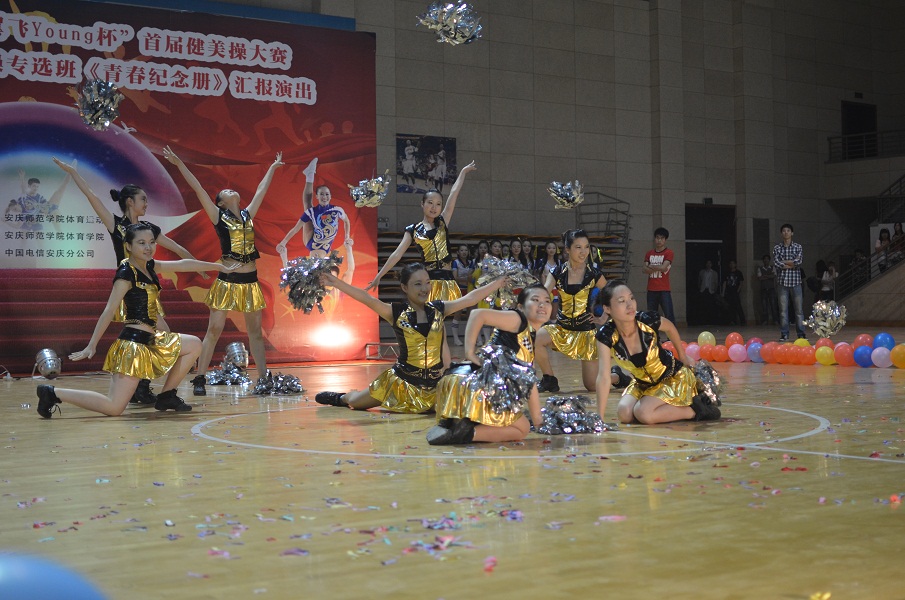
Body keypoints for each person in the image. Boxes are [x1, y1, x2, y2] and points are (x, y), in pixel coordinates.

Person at [35, 224, 239, 418]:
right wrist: (92, 345)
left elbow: (183, 264)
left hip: (152, 339)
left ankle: (166, 396)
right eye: (141, 243)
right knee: (114, 407)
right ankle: (52, 393)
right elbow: (109, 310)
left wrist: (218, 266)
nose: (148, 247)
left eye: (151, 242)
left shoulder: (149, 266)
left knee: (194, 344)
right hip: (133, 346)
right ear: (128, 246)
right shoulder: (126, 273)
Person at [52, 157, 204, 406]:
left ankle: (142, 387)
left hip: (147, 290)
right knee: (156, 337)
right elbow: (92, 197)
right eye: (143, 199)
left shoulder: (147, 228)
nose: (146, 203)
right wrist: (74, 173)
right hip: (129, 290)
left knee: (160, 338)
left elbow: (176, 247)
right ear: (130, 201)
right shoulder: (117, 225)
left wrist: (197, 264)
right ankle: (141, 388)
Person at [163, 146, 284, 396]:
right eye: (226, 192)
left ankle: (263, 378)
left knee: (255, 334)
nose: (231, 191)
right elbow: (198, 188)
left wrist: (272, 167)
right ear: (220, 202)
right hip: (227, 280)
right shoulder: (218, 216)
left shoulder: (248, 215)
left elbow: (261, 190)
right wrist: (179, 164)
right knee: (214, 330)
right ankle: (199, 378)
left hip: (250, 281)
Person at [313, 263, 508, 413]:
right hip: (400, 383)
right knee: (356, 403)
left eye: (427, 283)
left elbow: (470, 299)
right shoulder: (395, 312)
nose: (425, 288)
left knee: (460, 407)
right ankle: (342, 397)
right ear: (404, 287)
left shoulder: (439, 309)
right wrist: (336, 282)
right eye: (417, 284)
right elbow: (367, 298)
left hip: (435, 386)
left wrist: (498, 282)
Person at [427, 283, 551, 445]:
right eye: (535, 300)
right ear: (520, 306)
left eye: (547, 301)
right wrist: (469, 352)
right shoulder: (517, 319)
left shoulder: (529, 336)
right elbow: (478, 314)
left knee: (522, 423)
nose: (542, 305)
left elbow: (530, 383)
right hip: (476, 385)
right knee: (522, 429)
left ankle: (458, 423)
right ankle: (462, 433)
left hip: (459, 381)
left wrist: (539, 422)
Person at [595, 280, 721, 425]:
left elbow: (670, 327)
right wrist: (600, 418)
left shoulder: (647, 320)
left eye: (631, 298)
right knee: (624, 414)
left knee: (643, 413)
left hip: (670, 377)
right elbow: (603, 377)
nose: (630, 305)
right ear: (607, 308)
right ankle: (657, 407)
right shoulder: (606, 335)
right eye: (622, 301)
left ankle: (696, 410)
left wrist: (682, 355)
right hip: (642, 383)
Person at [367, 161, 477, 302]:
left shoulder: (443, 221)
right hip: (428, 283)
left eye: (438, 204)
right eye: (430, 203)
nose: (434, 207)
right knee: (429, 315)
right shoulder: (413, 230)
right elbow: (397, 254)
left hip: (448, 281)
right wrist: (379, 276)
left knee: (445, 315)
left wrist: (463, 172)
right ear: (422, 204)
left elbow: (454, 193)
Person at [535, 229, 627, 393]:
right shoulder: (557, 272)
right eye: (578, 247)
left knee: (591, 386)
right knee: (537, 337)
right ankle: (549, 379)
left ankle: (617, 377)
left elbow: (611, 295)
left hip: (586, 334)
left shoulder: (593, 273)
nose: (583, 252)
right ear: (567, 249)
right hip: (562, 330)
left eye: (586, 247)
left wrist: (604, 317)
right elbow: (543, 293)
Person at [276, 158, 352, 260]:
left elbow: (347, 221)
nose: (324, 197)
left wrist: (347, 237)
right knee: (308, 205)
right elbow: (295, 229)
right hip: (319, 243)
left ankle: (310, 174)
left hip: (312, 243)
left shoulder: (338, 210)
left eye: (327, 194)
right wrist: (283, 242)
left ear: (330, 196)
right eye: (321, 194)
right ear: (317, 196)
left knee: (308, 204)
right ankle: (310, 174)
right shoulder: (311, 212)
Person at [773, 223, 805, 341]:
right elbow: (776, 263)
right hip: (782, 283)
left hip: (796, 282)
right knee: (783, 311)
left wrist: (785, 263)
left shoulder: (798, 247)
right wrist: (791, 263)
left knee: (799, 310)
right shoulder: (777, 248)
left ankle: (801, 334)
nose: (786, 232)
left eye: (788, 230)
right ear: (781, 233)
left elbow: (799, 262)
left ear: (792, 233)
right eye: (784, 231)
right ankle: (784, 334)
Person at [642, 227, 675, 323]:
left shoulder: (669, 253)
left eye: (662, 238)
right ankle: (653, 333)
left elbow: (664, 268)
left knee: (669, 314)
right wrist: (658, 267)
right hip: (651, 289)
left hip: (664, 289)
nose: (659, 240)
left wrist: (651, 266)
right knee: (651, 316)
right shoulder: (649, 253)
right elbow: (644, 269)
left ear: (665, 240)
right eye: (657, 238)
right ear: (654, 238)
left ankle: (672, 333)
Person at [450, 244, 474, 346]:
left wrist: (468, 279)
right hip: (459, 290)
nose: (464, 252)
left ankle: (470, 337)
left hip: (469, 290)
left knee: (470, 314)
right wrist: (466, 279)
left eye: (466, 250)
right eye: (462, 250)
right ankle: (455, 338)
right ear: (458, 252)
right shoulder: (455, 262)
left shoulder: (471, 262)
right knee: (458, 313)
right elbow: (455, 278)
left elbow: (472, 277)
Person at [722, 260, 746, 326]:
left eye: (733, 263)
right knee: (730, 307)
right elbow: (724, 283)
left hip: (735, 292)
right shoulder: (727, 273)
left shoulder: (738, 273)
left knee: (738, 306)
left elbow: (741, 282)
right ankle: (732, 321)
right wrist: (723, 292)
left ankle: (742, 321)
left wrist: (738, 291)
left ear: (735, 264)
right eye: (730, 263)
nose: (731, 265)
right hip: (728, 292)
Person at [756, 254, 778, 325]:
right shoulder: (760, 268)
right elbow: (760, 278)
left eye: (767, 259)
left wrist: (766, 276)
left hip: (771, 289)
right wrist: (769, 276)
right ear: (763, 260)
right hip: (763, 289)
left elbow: (774, 276)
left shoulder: (772, 267)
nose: (766, 260)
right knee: (764, 306)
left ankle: (775, 320)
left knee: (773, 306)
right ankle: (765, 320)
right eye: (764, 259)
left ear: (769, 260)